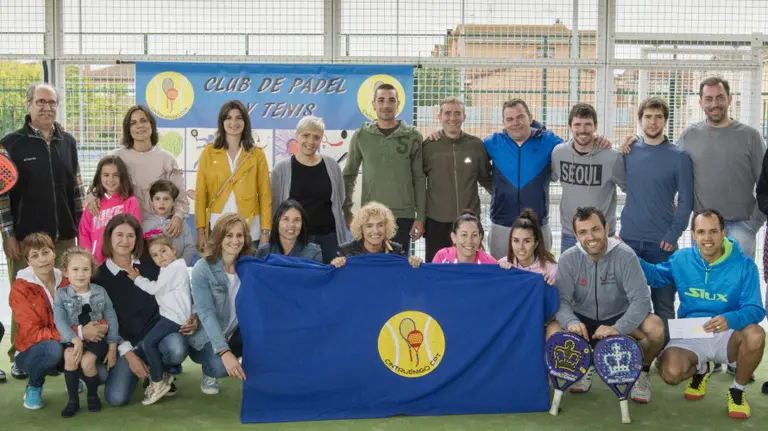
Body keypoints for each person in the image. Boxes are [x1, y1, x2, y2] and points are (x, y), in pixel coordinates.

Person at [639, 209, 765, 418]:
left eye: (713, 231)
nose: (707, 238)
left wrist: (730, 319)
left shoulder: (744, 265)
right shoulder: (681, 258)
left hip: (729, 334)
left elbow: (755, 308)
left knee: (756, 335)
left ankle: (737, 390)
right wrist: (624, 252)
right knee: (670, 374)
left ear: (723, 233)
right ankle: (701, 369)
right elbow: (655, 276)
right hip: (691, 332)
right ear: (693, 234)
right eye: (701, 232)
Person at [623, 77, 765, 260]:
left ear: (729, 99)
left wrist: (753, 224)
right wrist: (635, 140)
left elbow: (765, 183)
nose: (714, 103)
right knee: (702, 286)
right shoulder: (690, 135)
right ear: (700, 102)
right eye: (708, 99)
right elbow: (662, 155)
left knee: (737, 286)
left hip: (740, 227)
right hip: (702, 228)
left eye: (720, 97)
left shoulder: (750, 137)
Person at [1, 83, 86, 376]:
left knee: (60, 297)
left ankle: (54, 354)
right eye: (40, 101)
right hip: (24, 239)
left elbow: (77, 188)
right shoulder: (10, 144)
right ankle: (20, 354)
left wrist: (79, 231)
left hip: (63, 236)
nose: (46, 107)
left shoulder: (68, 142)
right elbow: (2, 196)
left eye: (51, 102)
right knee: (27, 299)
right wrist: (9, 235)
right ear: (28, 104)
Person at [552, 207, 665, 404]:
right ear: (576, 236)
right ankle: (586, 365)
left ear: (607, 228)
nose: (590, 237)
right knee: (553, 329)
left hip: (618, 317)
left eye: (595, 229)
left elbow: (641, 300)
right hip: (583, 321)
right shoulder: (568, 258)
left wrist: (617, 328)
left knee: (655, 328)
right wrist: (571, 322)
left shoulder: (625, 255)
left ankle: (643, 371)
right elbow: (561, 301)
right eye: (583, 232)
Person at [483, 99, 611, 258]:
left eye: (520, 117)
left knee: (540, 276)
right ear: (503, 122)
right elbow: (475, 163)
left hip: (538, 226)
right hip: (501, 226)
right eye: (509, 119)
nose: (515, 123)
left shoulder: (549, 141)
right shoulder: (492, 143)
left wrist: (594, 139)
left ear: (530, 117)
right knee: (502, 277)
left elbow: (576, 148)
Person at [93, 214, 193, 407]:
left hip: (157, 332)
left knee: (176, 349)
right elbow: (104, 322)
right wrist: (129, 354)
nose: (125, 241)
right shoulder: (99, 277)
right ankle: (145, 369)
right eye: (119, 235)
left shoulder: (152, 261)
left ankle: (158, 375)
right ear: (109, 237)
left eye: (130, 236)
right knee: (116, 398)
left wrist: (192, 314)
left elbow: (180, 287)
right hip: (126, 343)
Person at [617, 97, 693, 335]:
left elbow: (686, 200)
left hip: (662, 243)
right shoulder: (628, 152)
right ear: (639, 120)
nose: (652, 122)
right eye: (648, 117)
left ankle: (667, 353)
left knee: (664, 303)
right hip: (628, 240)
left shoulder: (679, 156)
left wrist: (673, 234)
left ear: (665, 121)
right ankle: (632, 351)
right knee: (627, 303)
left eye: (658, 117)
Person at [10, 233, 95, 410]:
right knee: (52, 349)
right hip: (32, 350)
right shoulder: (20, 287)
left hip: (65, 342)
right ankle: (34, 386)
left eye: (45, 252)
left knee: (96, 371)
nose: (42, 260)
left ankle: (71, 374)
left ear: (54, 253)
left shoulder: (66, 280)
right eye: (35, 255)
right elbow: (34, 333)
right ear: (28, 261)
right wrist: (76, 334)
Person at [342, 83, 426, 256]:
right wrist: (346, 210)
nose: (386, 105)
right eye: (381, 100)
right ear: (373, 104)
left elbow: (419, 177)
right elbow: (349, 175)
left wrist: (420, 217)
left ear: (398, 103)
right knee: (369, 268)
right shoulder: (361, 135)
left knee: (397, 266)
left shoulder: (412, 136)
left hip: (403, 216)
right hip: (371, 216)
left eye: (391, 100)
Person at [88, 105, 189, 238]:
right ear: (128, 130)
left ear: (151, 124)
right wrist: (91, 199)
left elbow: (180, 198)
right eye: (133, 123)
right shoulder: (116, 158)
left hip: (159, 234)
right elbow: (95, 189)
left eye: (143, 120)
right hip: (124, 233)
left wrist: (178, 217)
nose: (139, 126)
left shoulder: (167, 159)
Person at [270, 116, 349, 263]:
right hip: (295, 240)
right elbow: (275, 209)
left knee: (330, 282)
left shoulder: (332, 166)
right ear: (297, 136)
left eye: (316, 137)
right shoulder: (280, 170)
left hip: (329, 239)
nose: (311, 142)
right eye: (306, 135)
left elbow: (340, 198)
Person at [421, 97, 492, 262]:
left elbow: (487, 178)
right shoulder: (429, 146)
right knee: (436, 271)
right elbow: (418, 180)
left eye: (457, 113)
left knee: (470, 271)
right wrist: (419, 217)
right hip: (436, 221)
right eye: (447, 113)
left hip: (469, 222)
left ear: (464, 117)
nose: (452, 118)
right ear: (439, 117)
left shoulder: (476, 145)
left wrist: (506, 198)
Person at [189, 213, 252, 395]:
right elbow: (206, 312)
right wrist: (224, 352)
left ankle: (236, 357)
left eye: (239, 235)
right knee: (220, 368)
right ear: (219, 237)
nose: (235, 240)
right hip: (207, 338)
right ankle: (209, 370)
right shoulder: (203, 268)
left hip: (234, 332)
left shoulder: (248, 266)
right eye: (229, 235)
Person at [126, 232, 191, 405]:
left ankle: (157, 381)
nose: (160, 257)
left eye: (163, 251)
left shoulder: (175, 268)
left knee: (148, 343)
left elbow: (155, 289)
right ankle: (161, 376)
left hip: (174, 317)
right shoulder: (169, 268)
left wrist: (136, 278)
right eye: (155, 255)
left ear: (173, 249)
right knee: (150, 342)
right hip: (171, 315)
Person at [53, 248, 120, 417]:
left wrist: (112, 346)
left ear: (92, 271)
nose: (81, 274)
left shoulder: (100, 292)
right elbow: (60, 321)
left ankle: (92, 395)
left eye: (85, 269)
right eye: (75, 269)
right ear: (65, 272)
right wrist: (74, 339)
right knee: (70, 357)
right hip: (74, 337)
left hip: (97, 338)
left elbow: (111, 317)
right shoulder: (61, 295)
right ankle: (73, 400)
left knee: (88, 362)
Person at [550, 103, 624, 252]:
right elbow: (551, 176)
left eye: (587, 125)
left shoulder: (612, 157)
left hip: (602, 234)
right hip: (570, 234)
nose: (582, 130)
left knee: (604, 276)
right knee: (570, 275)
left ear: (595, 127)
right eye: (577, 124)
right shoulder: (558, 153)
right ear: (570, 126)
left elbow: (631, 189)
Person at [79, 155, 142, 263]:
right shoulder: (93, 204)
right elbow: (84, 233)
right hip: (96, 262)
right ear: (100, 177)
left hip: (122, 261)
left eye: (115, 175)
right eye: (106, 175)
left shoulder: (130, 202)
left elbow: (135, 231)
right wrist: (88, 258)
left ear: (122, 177)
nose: (110, 179)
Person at [331, 201, 422, 268]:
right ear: (361, 229)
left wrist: (414, 263)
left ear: (386, 227)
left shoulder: (397, 251)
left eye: (380, 225)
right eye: (369, 226)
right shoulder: (345, 252)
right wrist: (335, 265)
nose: (375, 231)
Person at [142, 180, 196, 265]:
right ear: (152, 202)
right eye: (157, 199)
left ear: (173, 202)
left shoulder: (181, 224)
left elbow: (190, 246)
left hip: (178, 269)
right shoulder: (145, 225)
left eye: (166, 199)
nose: (162, 203)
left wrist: (181, 264)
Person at [497, 209, 557, 285]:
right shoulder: (502, 264)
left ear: (536, 243)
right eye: (516, 240)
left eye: (527, 241)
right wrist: (500, 272)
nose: (520, 247)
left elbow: (557, 295)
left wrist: (552, 287)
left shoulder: (551, 270)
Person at [254, 199, 323, 262]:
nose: (291, 225)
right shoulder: (263, 251)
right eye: (286, 219)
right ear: (277, 222)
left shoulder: (313, 252)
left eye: (297, 220)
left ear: (302, 224)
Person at [431, 211, 496, 264]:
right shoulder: (442, 257)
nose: (469, 241)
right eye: (464, 235)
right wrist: (420, 267)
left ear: (480, 237)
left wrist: (504, 267)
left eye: (474, 235)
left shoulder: (489, 263)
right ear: (454, 237)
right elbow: (431, 277)